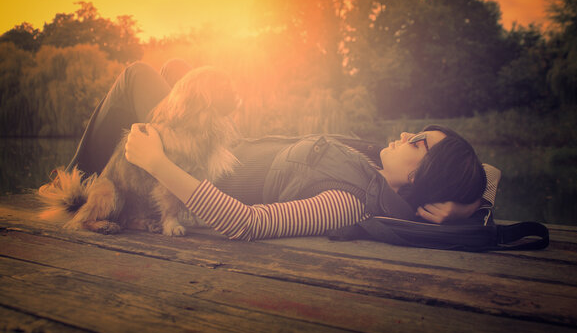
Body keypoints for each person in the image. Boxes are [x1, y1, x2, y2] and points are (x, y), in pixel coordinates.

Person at [57, 60, 497, 241]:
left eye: (417, 144)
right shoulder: (374, 164)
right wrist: (469, 207)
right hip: (227, 141)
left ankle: (76, 188)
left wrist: (157, 162)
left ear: (420, 179)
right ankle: (86, 188)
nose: (404, 135)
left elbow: (249, 223)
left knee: (138, 73)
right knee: (179, 70)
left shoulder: (347, 202)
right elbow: (489, 171)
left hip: (199, 159)